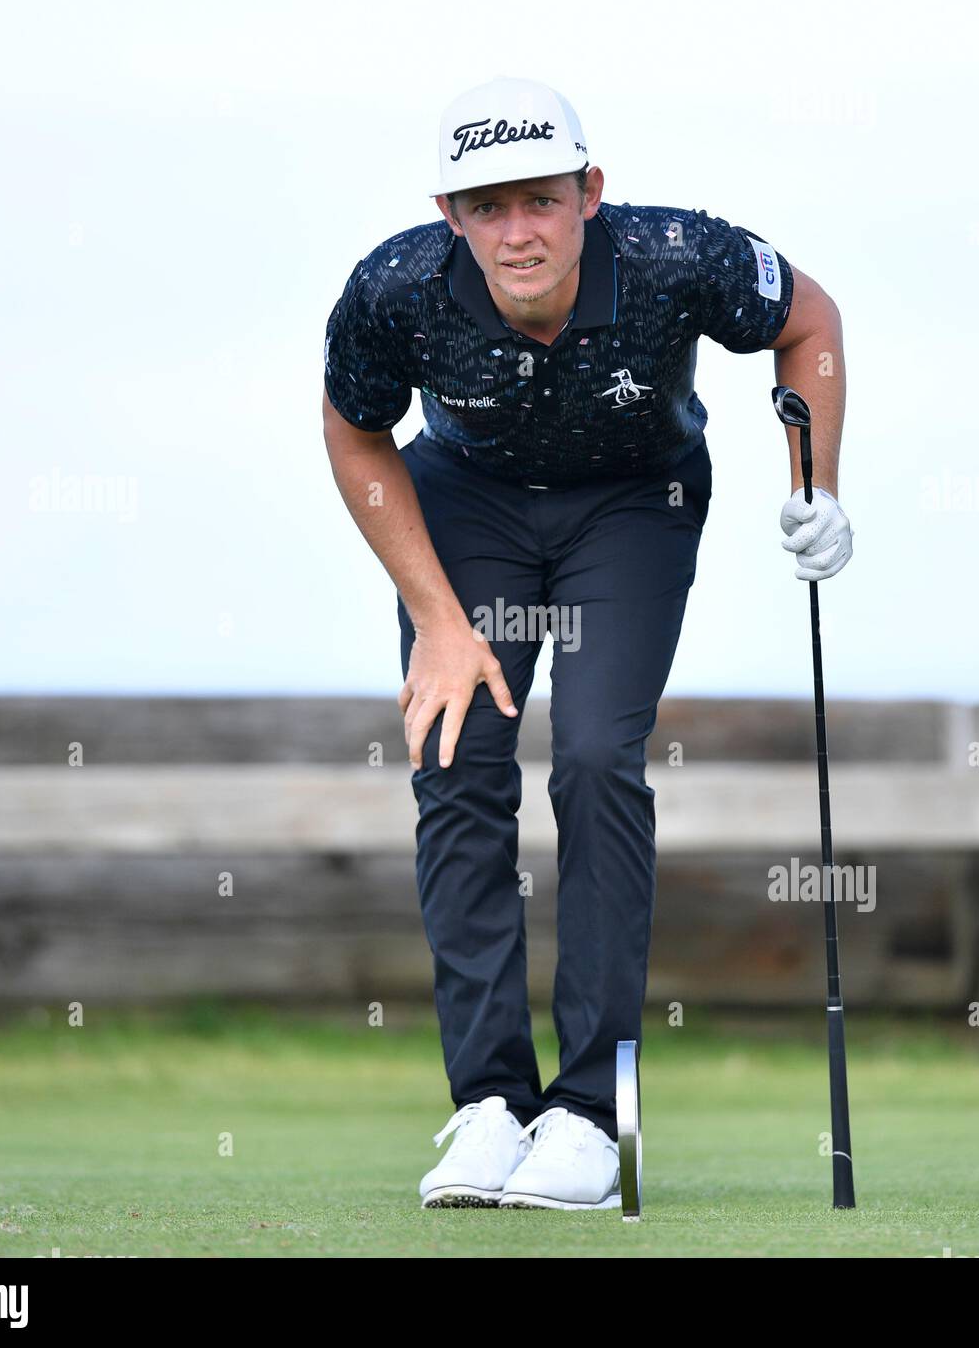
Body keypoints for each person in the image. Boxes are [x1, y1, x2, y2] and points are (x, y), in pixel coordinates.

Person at [322, 76, 853, 1210]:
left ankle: (589, 1117)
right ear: (448, 214)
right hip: (467, 504)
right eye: (486, 208)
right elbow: (356, 433)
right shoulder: (396, 287)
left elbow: (809, 319)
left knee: (599, 758)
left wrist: (818, 484)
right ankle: (490, 1106)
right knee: (454, 760)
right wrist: (436, 617)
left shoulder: (674, 257)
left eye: (541, 202)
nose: (517, 232)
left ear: (589, 193)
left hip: (634, 502)